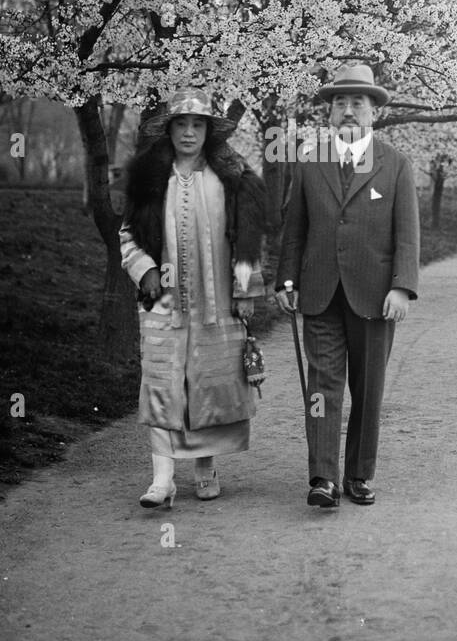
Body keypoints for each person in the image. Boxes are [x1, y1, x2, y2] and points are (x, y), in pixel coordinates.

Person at [275, 63, 419, 508]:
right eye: (341, 102)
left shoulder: (396, 165)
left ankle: (358, 474)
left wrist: (402, 286)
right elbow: (293, 228)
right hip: (319, 293)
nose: (350, 110)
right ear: (330, 112)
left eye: (359, 102)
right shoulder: (307, 161)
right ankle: (323, 478)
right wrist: (286, 279)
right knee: (322, 387)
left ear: (373, 111)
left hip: (375, 296)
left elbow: (407, 235)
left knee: (368, 388)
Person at [119, 90, 266, 508]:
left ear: (208, 131)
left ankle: (205, 466)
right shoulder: (149, 178)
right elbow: (128, 233)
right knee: (163, 380)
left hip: (215, 301)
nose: (188, 132)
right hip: (162, 301)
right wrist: (145, 269)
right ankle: (162, 479)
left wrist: (245, 290)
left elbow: (248, 240)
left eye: (197, 125)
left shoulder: (230, 178)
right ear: (168, 130)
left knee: (208, 383)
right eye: (181, 124)